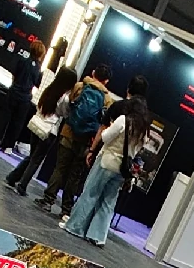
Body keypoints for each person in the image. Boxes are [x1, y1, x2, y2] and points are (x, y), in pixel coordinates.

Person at [63, 76, 151, 245]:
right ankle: (98, 237)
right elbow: (140, 148)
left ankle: (75, 227)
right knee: (108, 202)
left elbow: (105, 136)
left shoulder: (123, 120)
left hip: (107, 161)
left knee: (90, 194)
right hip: (123, 169)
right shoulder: (144, 129)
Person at [35, 64, 109, 217]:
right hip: (87, 141)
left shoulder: (79, 86)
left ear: (93, 72)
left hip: (68, 133)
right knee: (75, 176)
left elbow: (67, 106)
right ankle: (66, 209)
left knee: (60, 168)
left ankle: (48, 200)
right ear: (106, 81)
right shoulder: (107, 99)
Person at [3, 60, 75, 196]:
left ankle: (13, 177)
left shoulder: (49, 89)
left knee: (32, 156)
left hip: (36, 124)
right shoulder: (64, 98)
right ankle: (22, 185)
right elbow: (65, 114)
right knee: (36, 160)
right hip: (48, 130)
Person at [0, 39, 43, 152]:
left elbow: (14, 75)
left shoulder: (22, 61)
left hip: (14, 92)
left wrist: (15, 86)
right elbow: (37, 83)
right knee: (17, 123)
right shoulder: (38, 68)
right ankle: (8, 146)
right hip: (25, 98)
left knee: (4, 117)